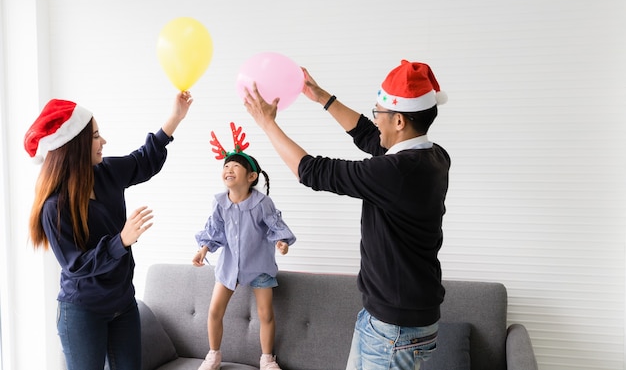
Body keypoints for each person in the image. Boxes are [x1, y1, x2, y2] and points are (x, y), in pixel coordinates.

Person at [244, 60, 450, 370]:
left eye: (378, 112)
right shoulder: (432, 155)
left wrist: (267, 124)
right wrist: (322, 97)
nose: (374, 119)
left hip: (393, 330)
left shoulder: (396, 172)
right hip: (392, 319)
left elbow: (312, 172)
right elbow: (369, 135)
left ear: (399, 122)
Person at [25, 92, 193, 370]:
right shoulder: (54, 207)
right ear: (74, 146)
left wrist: (175, 118)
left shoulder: (106, 172)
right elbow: (75, 265)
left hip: (123, 304)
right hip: (83, 311)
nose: (103, 142)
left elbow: (144, 161)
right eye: (95, 136)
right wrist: (121, 241)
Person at [192, 122, 296, 370]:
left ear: (251, 177)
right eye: (225, 166)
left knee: (265, 314)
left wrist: (282, 243)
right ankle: (214, 356)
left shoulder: (262, 203)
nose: (228, 169)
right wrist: (203, 249)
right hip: (230, 267)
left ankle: (267, 359)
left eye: (234, 166)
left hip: (259, 266)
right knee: (214, 310)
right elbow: (214, 231)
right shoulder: (219, 203)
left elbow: (275, 227)